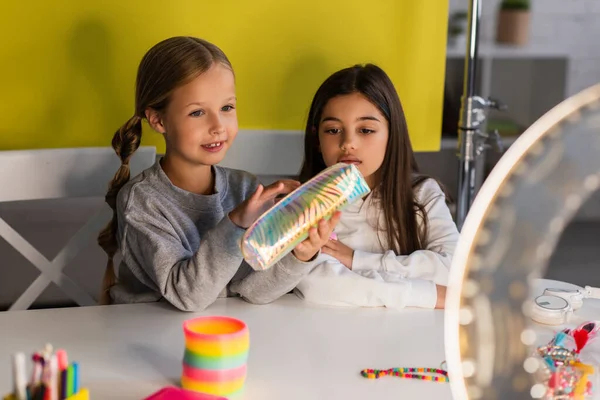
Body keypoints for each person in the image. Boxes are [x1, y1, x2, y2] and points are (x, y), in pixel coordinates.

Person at [97, 36, 339, 311]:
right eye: (198, 112)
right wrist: (235, 225)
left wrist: (300, 255)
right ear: (158, 120)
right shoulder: (141, 202)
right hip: (143, 335)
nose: (218, 126)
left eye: (227, 108)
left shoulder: (246, 189)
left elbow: (253, 290)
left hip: (219, 339)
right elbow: (188, 296)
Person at [294, 64, 459, 310]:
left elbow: (454, 270)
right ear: (317, 138)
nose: (348, 143)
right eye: (333, 130)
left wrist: (355, 260)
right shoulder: (305, 205)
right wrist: (431, 295)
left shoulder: (423, 194)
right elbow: (320, 285)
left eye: (366, 130)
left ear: (392, 134)